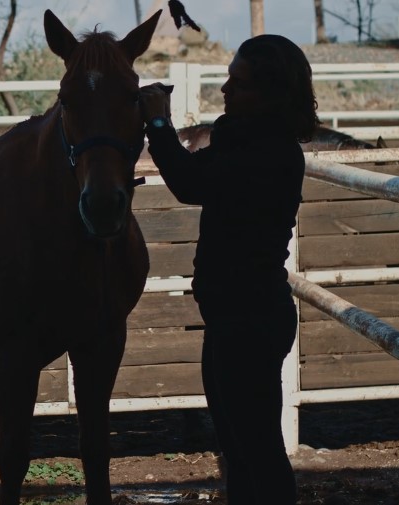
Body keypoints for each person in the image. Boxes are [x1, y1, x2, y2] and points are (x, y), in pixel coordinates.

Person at [139, 34, 320, 504]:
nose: (225, 89)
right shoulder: (247, 139)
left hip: (248, 319)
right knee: (240, 448)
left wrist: (159, 122)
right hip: (235, 315)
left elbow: (188, 181)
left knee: (256, 450)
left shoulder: (267, 152)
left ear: (269, 93)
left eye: (238, 84)